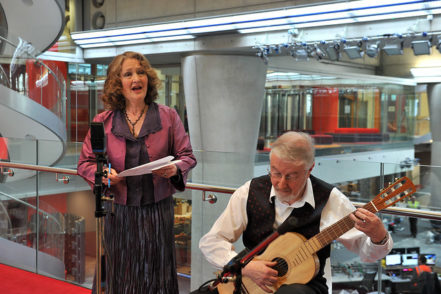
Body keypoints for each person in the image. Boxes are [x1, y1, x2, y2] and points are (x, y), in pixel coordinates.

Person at [199, 131, 392, 294]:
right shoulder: (250, 191)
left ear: (310, 169)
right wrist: (246, 267)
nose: (281, 184)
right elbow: (211, 241)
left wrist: (378, 236)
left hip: (306, 287)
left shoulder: (330, 199)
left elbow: (366, 253)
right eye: (275, 173)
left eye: (291, 176)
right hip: (248, 280)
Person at [77, 51, 197, 294]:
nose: (136, 78)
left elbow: (188, 157)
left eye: (141, 72)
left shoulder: (168, 116)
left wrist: (174, 167)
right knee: (120, 272)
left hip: (157, 211)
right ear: (117, 83)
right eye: (128, 74)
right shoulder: (103, 120)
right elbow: (85, 164)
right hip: (119, 213)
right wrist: (103, 174)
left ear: (148, 79)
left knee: (157, 272)